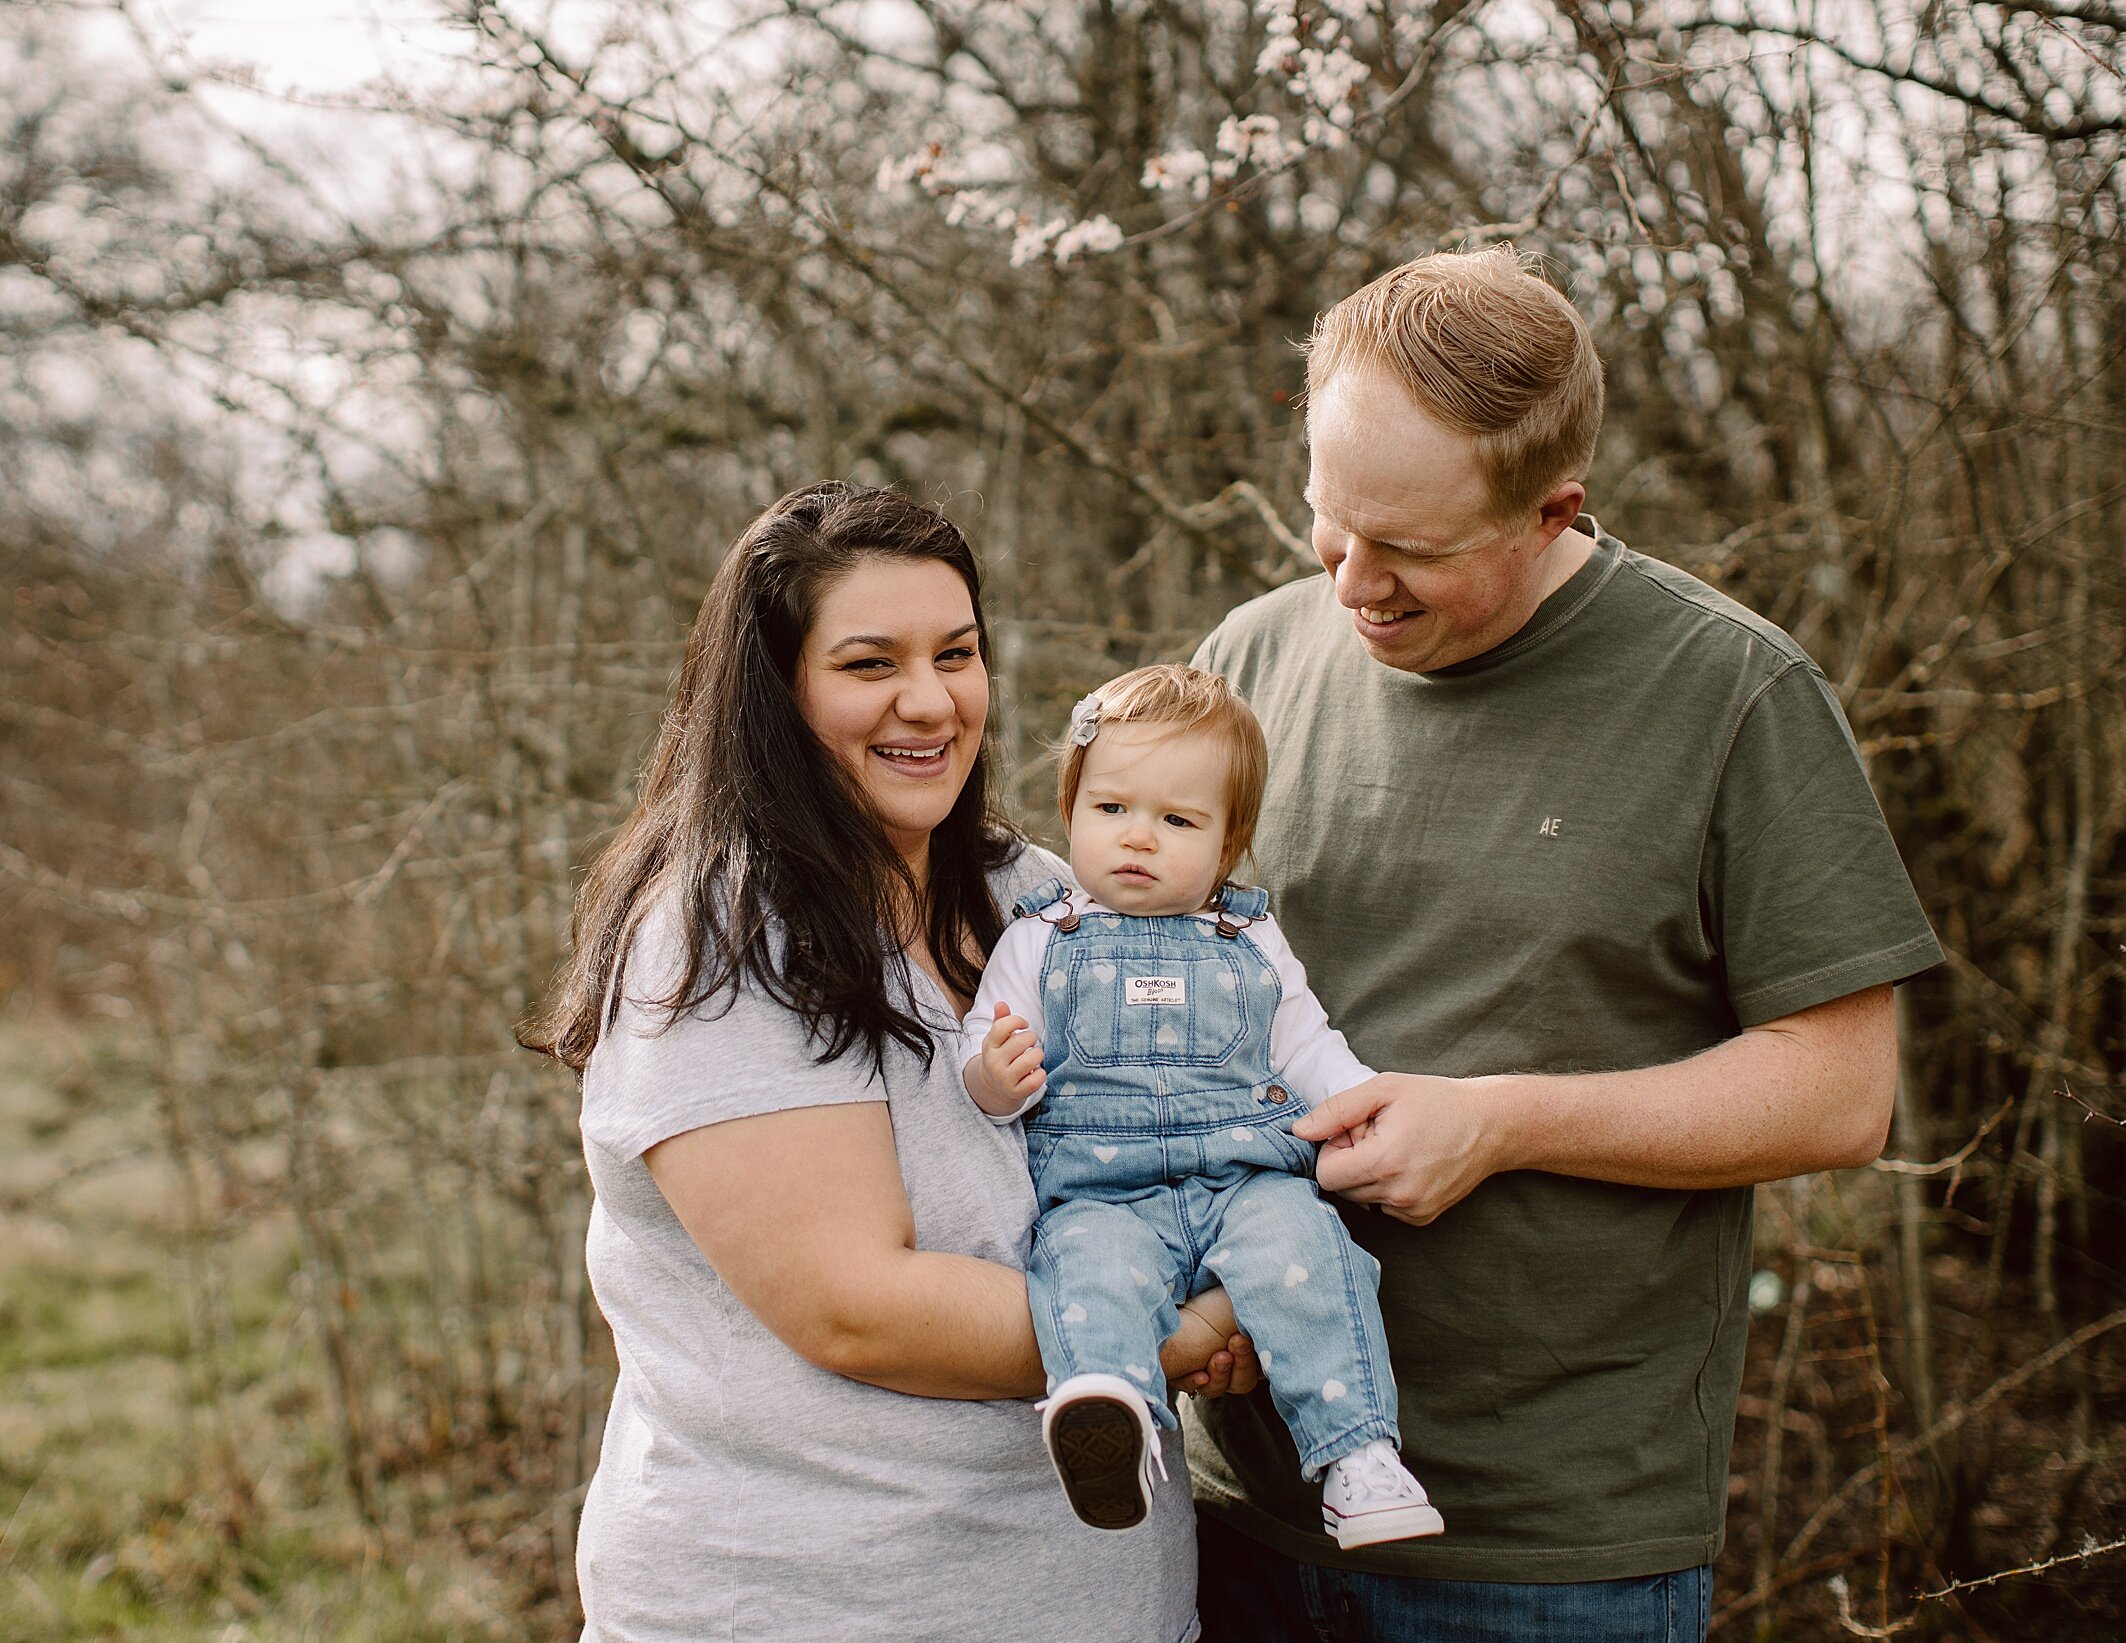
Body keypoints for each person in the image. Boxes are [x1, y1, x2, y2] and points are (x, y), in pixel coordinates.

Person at [1185, 248, 1944, 1640]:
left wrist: (1503, 1122)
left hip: (1547, 1545)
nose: (1355, 581)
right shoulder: (1250, 659)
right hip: (1235, 1503)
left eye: (1409, 549)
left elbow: (1842, 1094)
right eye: (1329, 523)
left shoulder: (1732, 694)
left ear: (1553, 510)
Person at [522, 482, 1252, 1643]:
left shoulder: (1041, 897)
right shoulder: (715, 945)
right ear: (777, 694)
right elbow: (856, 1307)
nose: (930, 699)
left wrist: (1259, 1272)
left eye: (956, 652)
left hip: (1102, 1600)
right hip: (817, 1604)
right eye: (869, 663)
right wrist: (1173, 1334)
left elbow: (1183, 1123)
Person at [958, 665, 1443, 1551]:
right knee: (1086, 1270)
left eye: (1177, 820)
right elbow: (979, 1046)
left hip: (1244, 1179)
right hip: (1100, 1191)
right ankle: (1111, 1417)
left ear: (1227, 845)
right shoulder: (1040, 935)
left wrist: (1359, 1107)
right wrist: (994, 1076)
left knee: (1309, 1259)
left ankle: (1359, 1457)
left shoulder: (1250, 939)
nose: (1138, 837)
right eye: (1111, 810)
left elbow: (1307, 1046)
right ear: (1071, 809)